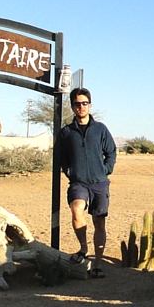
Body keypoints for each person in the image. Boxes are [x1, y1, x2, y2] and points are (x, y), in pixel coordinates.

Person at [57, 87, 116, 278]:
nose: (81, 107)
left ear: (90, 105)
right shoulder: (66, 132)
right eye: (77, 104)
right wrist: (70, 172)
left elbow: (111, 152)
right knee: (76, 209)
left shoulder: (100, 129)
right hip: (78, 182)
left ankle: (97, 263)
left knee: (99, 221)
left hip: (99, 182)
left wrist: (106, 169)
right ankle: (83, 248)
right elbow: (61, 156)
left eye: (84, 103)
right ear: (72, 106)